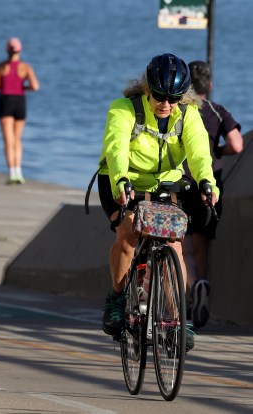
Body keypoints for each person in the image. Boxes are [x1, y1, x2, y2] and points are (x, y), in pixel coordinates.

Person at [97, 53, 219, 352]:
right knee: (128, 235)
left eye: (173, 98)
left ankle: (176, 320)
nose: (166, 104)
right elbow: (116, 149)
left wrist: (207, 182)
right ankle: (116, 297)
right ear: (147, 89)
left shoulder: (188, 115)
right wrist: (121, 181)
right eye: (160, 96)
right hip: (121, 179)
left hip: (166, 185)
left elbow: (200, 152)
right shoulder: (123, 109)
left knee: (175, 248)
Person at [183, 60, 243, 329]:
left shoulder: (181, 109)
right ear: (210, 85)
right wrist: (217, 153)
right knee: (201, 245)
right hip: (211, 185)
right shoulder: (217, 111)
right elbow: (237, 144)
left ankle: (188, 292)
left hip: (182, 181)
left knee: (181, 246)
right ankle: (200, 293)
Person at [0, 37, 39, 184]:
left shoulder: (1, 67)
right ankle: (19, 172)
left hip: (6, 101)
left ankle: (11, 172)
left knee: (8, 140)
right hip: (20, 102)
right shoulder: (25, 67)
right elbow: (35, 86)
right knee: (18, 140)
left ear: (7, 50)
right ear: (20, 50)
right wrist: (22, 87)